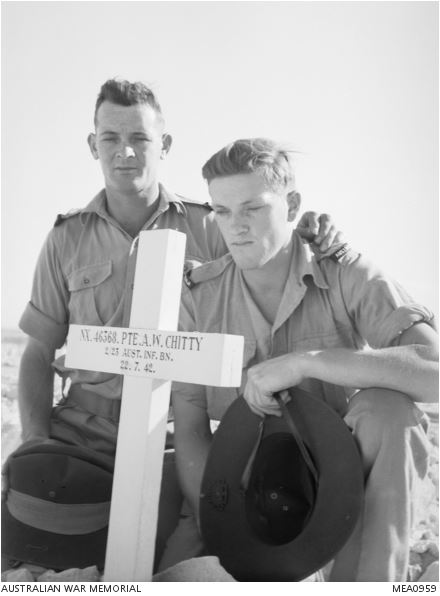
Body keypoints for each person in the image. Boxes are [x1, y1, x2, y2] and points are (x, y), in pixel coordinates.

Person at [5, 80, 341, 566]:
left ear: (164, 145)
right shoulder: (66, 239)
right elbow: (38, 352)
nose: (125, 151)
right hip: (80, 434)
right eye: (109, 137)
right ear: (91, 145)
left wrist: (314, 231)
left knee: (174, 559)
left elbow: (274, 258)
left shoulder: (212, 225)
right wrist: (36, 440)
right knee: (27, 551)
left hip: (171, 437)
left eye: (140, 138)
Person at [165, 138, 438, 581]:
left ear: (291, 205)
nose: (236, 226)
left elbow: (434, 372)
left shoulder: (346, 273)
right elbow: (191, 423)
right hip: (250, 482)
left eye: (252, 208)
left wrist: (309, 361)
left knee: (393, 415)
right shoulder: (198, 297)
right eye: (222, 211)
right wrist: (223, 517)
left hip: (341, 478)